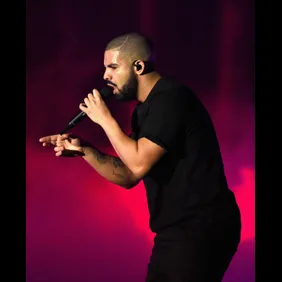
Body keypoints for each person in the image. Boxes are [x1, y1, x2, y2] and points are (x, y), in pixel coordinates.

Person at [39, 32, 241, 282]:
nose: (105, 76)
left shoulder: (171, 98)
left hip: (201, 228)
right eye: (105, 68)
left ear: (138, 66)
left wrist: (104, 119)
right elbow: (128, 175)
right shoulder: (143, 110)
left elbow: (138, 162)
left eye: (113, 67)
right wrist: (85, 150)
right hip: (173, 233)